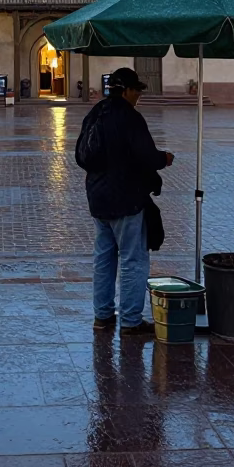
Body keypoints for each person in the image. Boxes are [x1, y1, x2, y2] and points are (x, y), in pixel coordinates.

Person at [75, 66, 174, 336]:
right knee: (133, 259)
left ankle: (102, 315)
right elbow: (147, 156)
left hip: (98, 198)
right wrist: (163, 158)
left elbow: (81, 155)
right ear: (127, 91)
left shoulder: (95, 113)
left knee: (104, 257)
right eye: (137, 91)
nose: (138, 96)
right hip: (126, 198)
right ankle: (131, 320)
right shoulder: (130, 118)